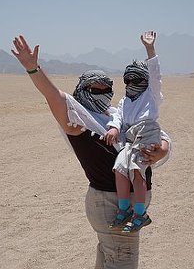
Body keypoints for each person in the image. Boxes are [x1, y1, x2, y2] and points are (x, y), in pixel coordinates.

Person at [11, 34, 171, 269]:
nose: (102, 91)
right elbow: (54, 96)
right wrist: (33, 69)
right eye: (95, 87)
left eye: (107, 87)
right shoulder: (78, 117)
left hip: (119, 206)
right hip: (111, 204)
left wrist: (162, 151)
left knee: (108, 259)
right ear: (83, 90)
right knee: (121, 262)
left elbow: (158, 133)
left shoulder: (115, 113)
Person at [105, 31, 163, 233]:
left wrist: (149, 48)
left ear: (143, 79)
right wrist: (113, 127)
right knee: (120, 169)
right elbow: (118, 117)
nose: (130, 84)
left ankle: (141, 214)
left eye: (135, 79)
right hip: (130, 137)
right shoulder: (124, 100)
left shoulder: (151, 94)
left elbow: (155, 74)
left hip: (146, 133)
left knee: (137, 172)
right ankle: (124, 210)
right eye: (127, 80)